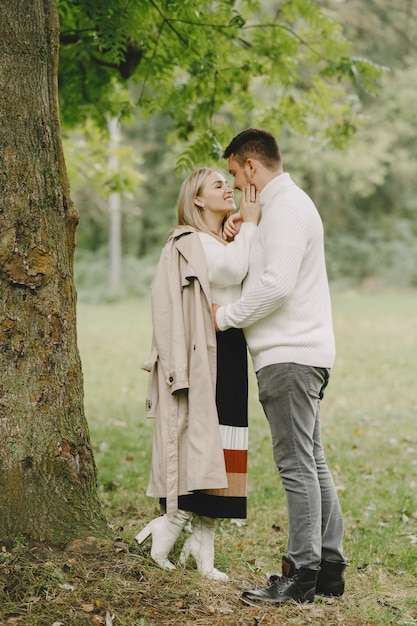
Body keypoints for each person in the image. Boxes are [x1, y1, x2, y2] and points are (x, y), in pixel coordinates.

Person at [213, 128, 346, 604]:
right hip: (298, 353)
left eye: (233, 172)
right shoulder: (279, 210)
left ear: (252, 166)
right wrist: (242, 225)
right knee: (312, 460)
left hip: (289, 355)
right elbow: (263, 264)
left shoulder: (287, 208)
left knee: (296, 465)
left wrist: (224, 317)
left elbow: (275, 286)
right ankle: (330, 568)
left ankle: (302, 572)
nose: (232, 182)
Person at [136, 167, 260, 581]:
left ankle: (203, 544)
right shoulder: (190, 241)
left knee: (227, 440)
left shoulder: (221, 238)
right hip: (201, 351)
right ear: (197, 201)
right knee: (199, 439)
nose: (229, 188)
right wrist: (249, 222)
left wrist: (238, 224)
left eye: (230, 181)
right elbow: (233, 267)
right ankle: (170, 524)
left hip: (229, 343)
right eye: (218, 185)